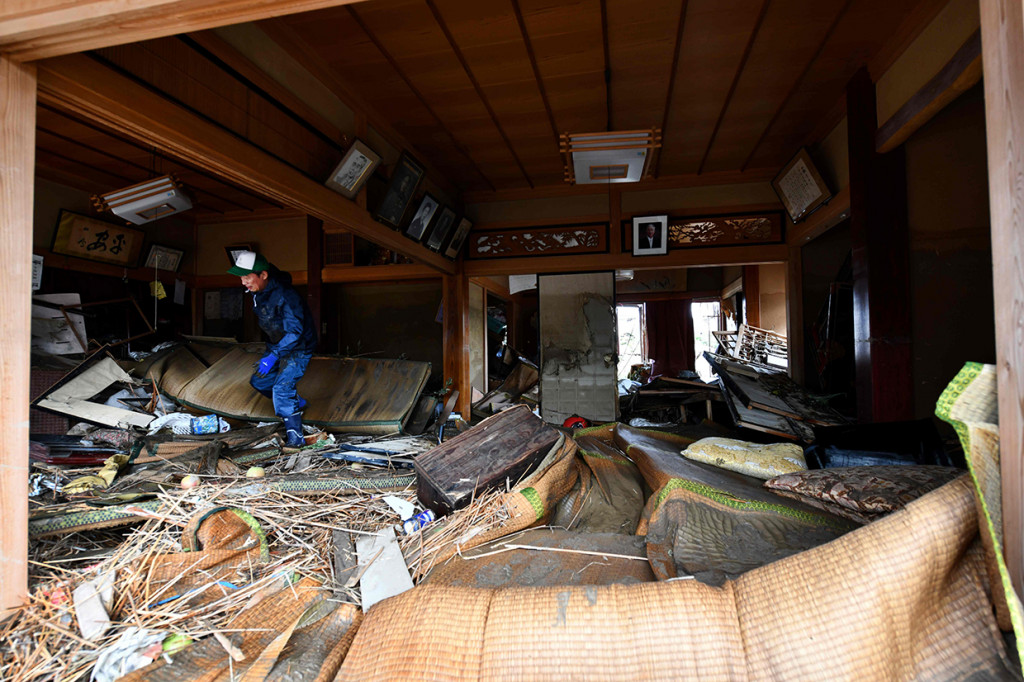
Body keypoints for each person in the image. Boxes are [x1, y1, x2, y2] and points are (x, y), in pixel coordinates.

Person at [228, 250, 317, 448]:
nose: (243, 282)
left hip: (299, 346)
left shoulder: (286, 295)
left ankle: (296, 439)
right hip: (277, 345)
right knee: (259, 381)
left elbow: (295, 332)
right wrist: (273, 352)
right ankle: (297, 404)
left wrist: (274, 355)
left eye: (247, 277)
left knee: (281, 388)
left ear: (263, 275)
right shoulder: (258, 293)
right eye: (241, 277)